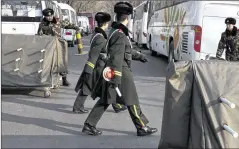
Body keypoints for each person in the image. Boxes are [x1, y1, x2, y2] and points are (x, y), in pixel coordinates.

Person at [81, 2, 157, 136]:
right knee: (132, 98)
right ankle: (141, 126)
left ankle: (89, 124)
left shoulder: (114, 31)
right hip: (120, 70)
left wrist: (139, 56)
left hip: (113, 69)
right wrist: (116, 77)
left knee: (106, 99)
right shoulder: (120, 34)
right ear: (127, 18)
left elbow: (124, 51)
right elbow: (117, 56)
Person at [73, 12, 127, 114]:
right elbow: (94, 55)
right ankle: (77, 107)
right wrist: (89, 69)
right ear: (105, 24)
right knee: (88, 86)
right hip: (97, 66)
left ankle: (117, 105)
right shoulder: (100, 38)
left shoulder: (97, 34)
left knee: (106, 86)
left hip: (100, 65)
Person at [37, 8, 78, 86]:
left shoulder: (58, 21)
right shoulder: (42, 24)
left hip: (58, 44)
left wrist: (75, 27)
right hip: (48, 46)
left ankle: (64, 79)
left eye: (50, 16)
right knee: (47, 63)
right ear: (45, 16)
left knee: (61, 61)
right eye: (47, 16)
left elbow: (67, 24)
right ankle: (45, 79)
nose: (49, 17)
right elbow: (39, 35)